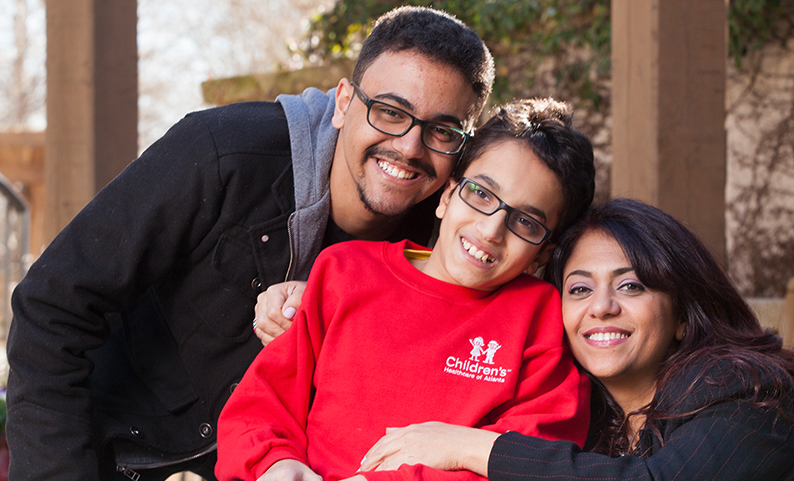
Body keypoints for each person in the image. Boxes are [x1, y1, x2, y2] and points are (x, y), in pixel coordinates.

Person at [5, 7, 494, 481]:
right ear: (345, 103)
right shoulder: (222, 152)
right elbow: (53, 305)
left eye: (443, 131)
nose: (409, 146)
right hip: (115, 453)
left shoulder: (445, 244)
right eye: (389, 112)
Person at [215, 98, 596, 481]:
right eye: (481, 194)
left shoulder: (539, 314)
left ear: (542, 253)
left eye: (526, 222)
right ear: (447, 197)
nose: (490, 230)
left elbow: (533, 454)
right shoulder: (343, 271)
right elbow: (260, 406)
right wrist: (278, 466)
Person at [356, 199, 794, 481]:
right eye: (579, 289)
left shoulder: (745, 390)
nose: (601, 306)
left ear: (682, 312)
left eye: (631, 285)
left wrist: (473, 447)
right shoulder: (588, 414)